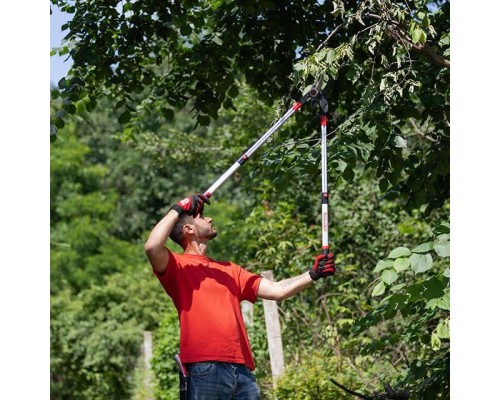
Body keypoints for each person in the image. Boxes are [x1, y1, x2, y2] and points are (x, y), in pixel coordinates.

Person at [144, 194, 336, 400]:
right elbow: (152, 247)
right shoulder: (177, 266)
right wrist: (179, 208)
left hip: (242, 371)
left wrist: (313, 274)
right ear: (188, 230)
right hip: (204, 368)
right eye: (202, 217)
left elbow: (278, 290)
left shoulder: (230, 269)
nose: (209, 219)